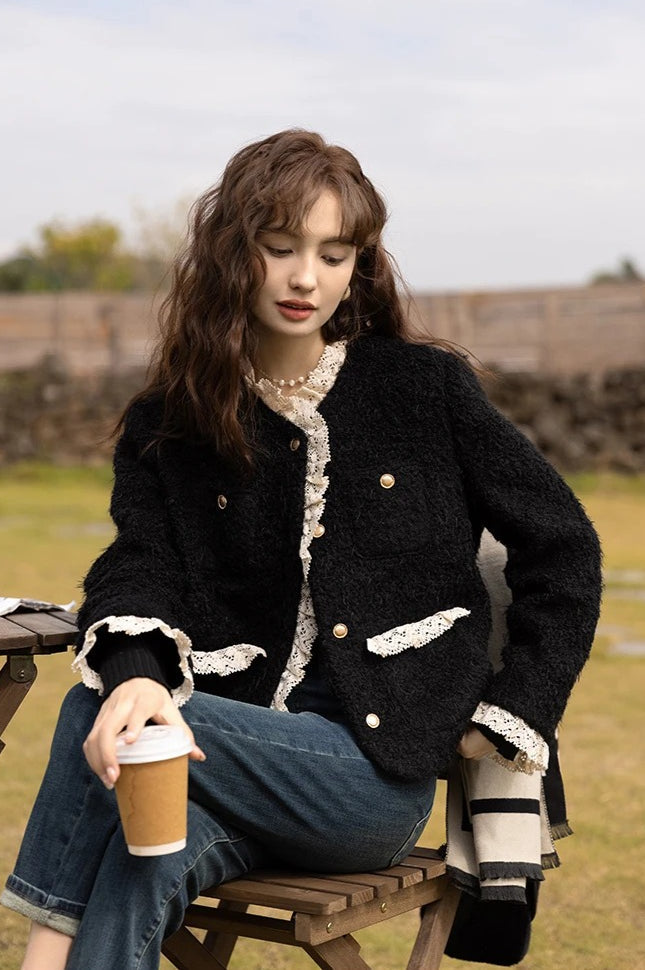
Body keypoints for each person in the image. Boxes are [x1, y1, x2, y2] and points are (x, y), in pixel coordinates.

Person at [1, 129, 602, 970]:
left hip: (366, 782)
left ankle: (40, 955)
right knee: (144, 850)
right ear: (231, 254)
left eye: (332, 253)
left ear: (359, 265)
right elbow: (139, 563)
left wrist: (513, 709)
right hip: (221, 758)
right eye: (279, 248)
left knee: (95, 713)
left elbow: (563, 546)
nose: (304, 278)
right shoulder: (170, 420)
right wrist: (137, 668)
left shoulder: (421, 390)